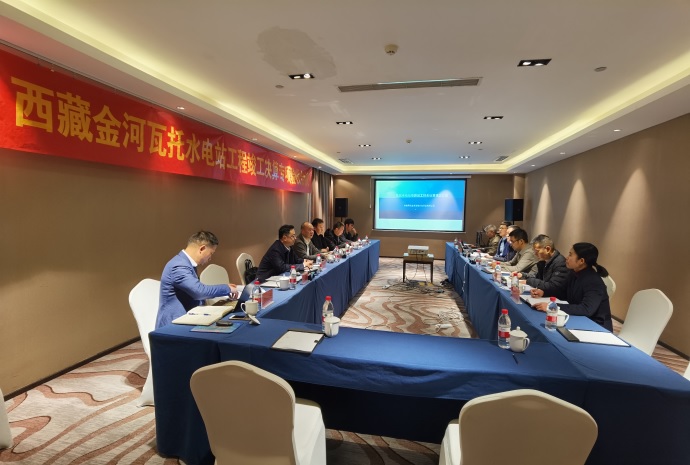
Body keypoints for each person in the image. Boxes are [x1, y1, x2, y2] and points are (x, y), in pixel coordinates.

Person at [155, 231, 238, 328]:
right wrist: (227, 288)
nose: (210, 258)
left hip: (188, 319)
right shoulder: (178, 266)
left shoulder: (186, 263)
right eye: (211, 253)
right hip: (173, 326)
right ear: (202, 249)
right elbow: (199, 292)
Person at [531, 242, 613, 331]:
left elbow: (586, 309)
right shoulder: (574, 273)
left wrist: (552, 307)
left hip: (596, 326)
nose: (567, 257)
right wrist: (543, 292)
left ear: (581, 261)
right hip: (578, 318)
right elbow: (563, 292)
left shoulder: (593, 281)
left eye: (570, 255)